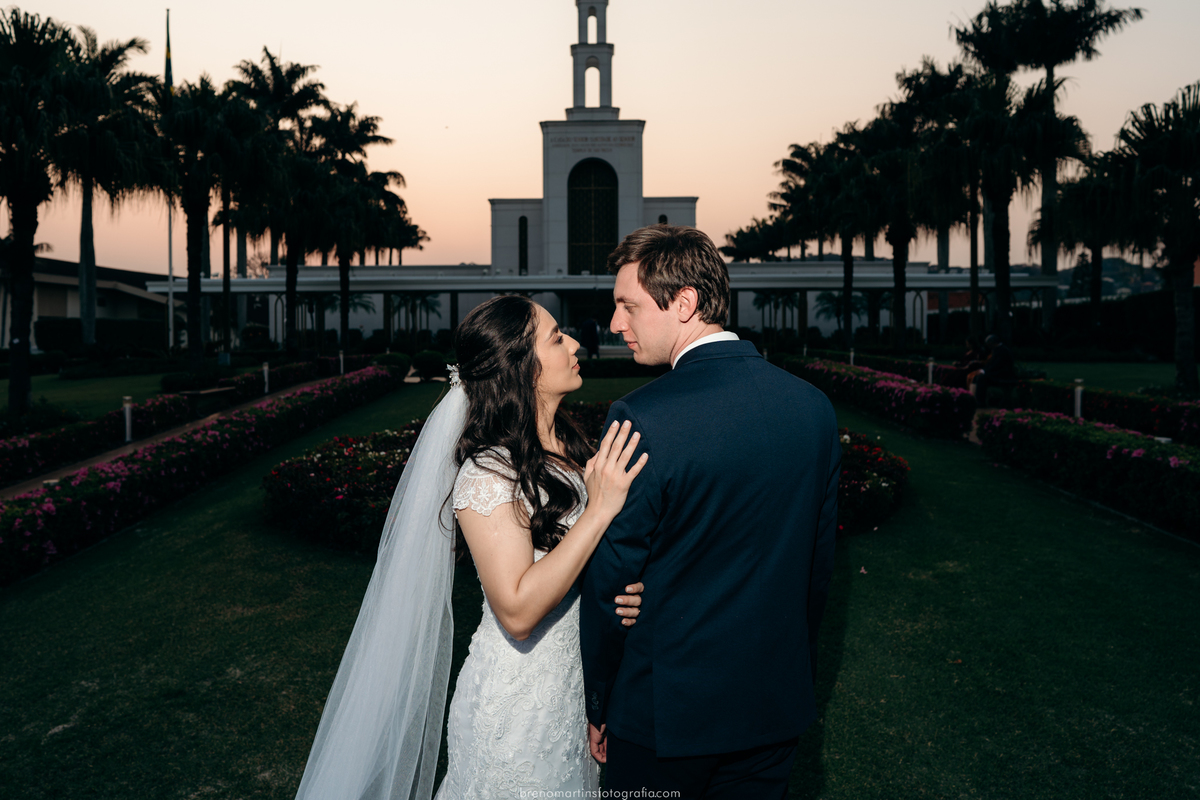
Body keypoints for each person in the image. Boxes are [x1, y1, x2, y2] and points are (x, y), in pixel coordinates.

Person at [294, 295, 649, 800]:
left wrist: (620, 594)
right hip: (518, 710)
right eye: (555, 337)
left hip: (573, 694)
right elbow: (519, 610)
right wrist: (598, 512)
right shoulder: (488, 473)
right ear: (521, 369)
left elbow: (580, 566)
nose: (574, 343)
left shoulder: (574, 450)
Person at [580, 225, 841, 798]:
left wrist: (599, 699)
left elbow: (611, 580)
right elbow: (815, 572)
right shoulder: (814, 409)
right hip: (773, 708)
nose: (615, 323)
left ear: (685, 303)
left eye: (627, 305)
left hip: (662, 716)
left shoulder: (639, 417)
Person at [972, 333, 1016, 406]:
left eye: (988, 344)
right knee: (977, 377)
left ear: (992, 343)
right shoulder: (998, 350)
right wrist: (983, 370)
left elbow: (997, 365)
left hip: (1002, 375)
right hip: (997, 373)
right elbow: (992, 364)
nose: (988, 346)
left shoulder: (1003, 351)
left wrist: (984, 371)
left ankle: (980, 402)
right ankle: (975, 399)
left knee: (981, 378)